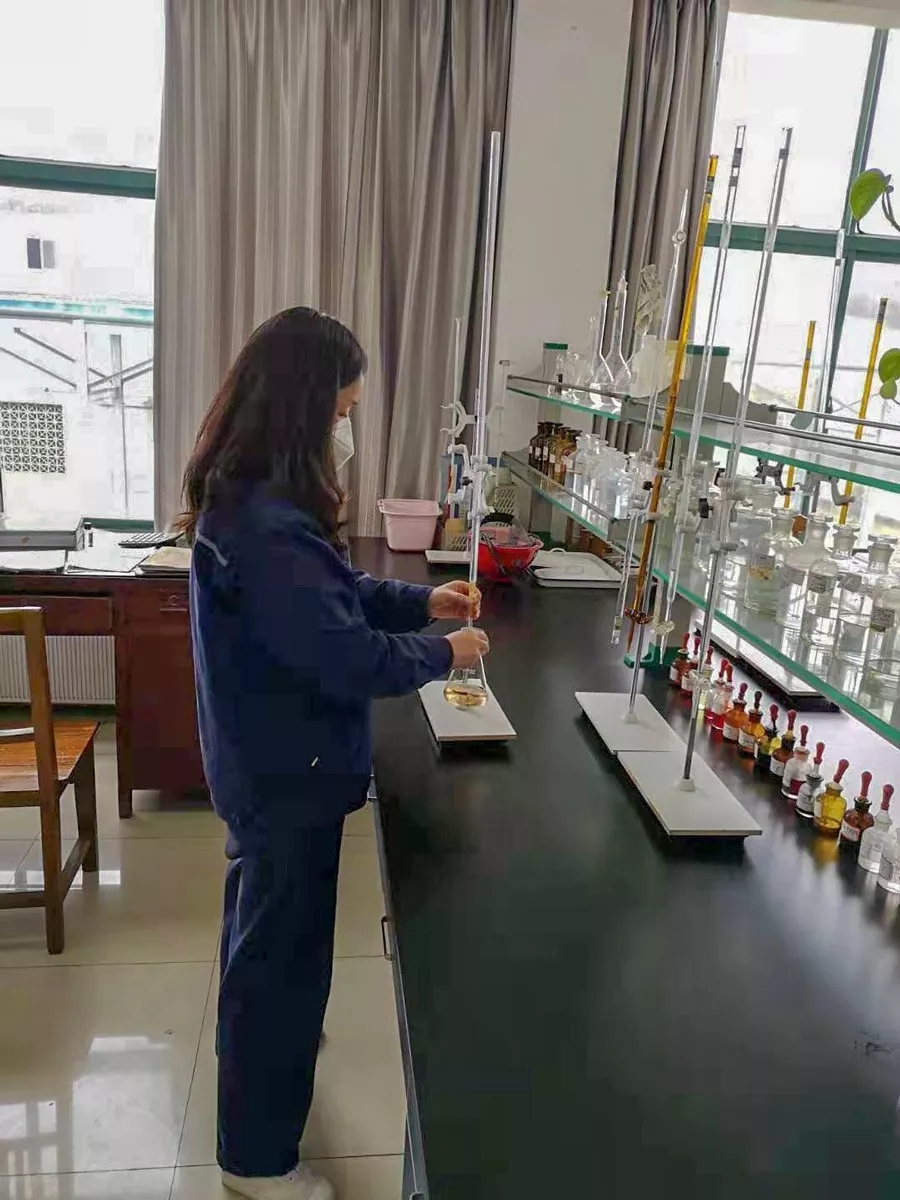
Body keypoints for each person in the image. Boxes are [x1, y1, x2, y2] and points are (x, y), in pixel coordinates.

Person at [181, 307, 489, 1200]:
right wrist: (443, 654)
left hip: (267, 769)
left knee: (265, 945)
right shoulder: (266, 529)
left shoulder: (257, 504)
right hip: (287, 778)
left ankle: (267, 1058)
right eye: (344, 411)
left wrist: (421, 603)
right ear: (304, 407)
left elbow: (336, 596)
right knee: (278, 966)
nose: (346, 430)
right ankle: (256, 1162)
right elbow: (345, 657)